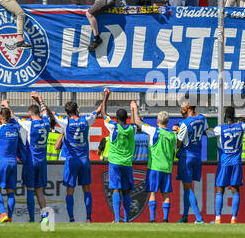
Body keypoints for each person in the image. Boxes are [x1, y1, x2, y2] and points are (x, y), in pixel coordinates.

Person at [3, 92, 52, 223]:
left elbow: (14, 117)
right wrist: (40, 99)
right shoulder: (46, 122)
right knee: (40, 191)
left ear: (30, 114)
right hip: (42, 162)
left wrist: (7, 105)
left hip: (31, 161)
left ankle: (31, 218)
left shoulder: (30, 124)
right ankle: (45, 216)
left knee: (30, 190)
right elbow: (45, 111)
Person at [53, 96, 103, 222]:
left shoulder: (66, 123)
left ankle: (71, 219)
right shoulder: (85, 120)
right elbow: (99, 109)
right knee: (86, 189)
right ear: (76, 110)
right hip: (84, 160)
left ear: (66, 113)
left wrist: (40, 101)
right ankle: (88, 218)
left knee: (70, 191)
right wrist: (106, 96)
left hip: (71, 160)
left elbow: (51, 113)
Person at [206, 107, 245, 224]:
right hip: (236, 162)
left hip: (224, 162)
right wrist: (242, 121)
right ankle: (234, 218)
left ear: (224, 117)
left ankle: (218, 218)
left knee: (220, 188)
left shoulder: (219, 129)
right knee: (235, 189)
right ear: (235, 116)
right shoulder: (241, 127)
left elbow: (207, 133)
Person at [131, 102, 177, 223]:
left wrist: (135, 108)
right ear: (167, 122)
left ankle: (152, 219)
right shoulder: (173, 135)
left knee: (152, 192)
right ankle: (165, 219)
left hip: (155, 168)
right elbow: (176, 148)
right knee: (166, 194)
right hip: (167, 168)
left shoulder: (153, 131)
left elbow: (137, 122)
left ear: (157, 121)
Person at [102, 88, 135, 223]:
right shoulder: (132, 129)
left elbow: (103, 113)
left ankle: (116, 219)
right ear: (126, 118)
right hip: (127, 163)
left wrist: (106, 96)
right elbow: (134, 122)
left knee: (116, 189)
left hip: (115, 163)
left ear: (116, 118)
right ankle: (126, 219)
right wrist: (133, 109)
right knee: (126, 190)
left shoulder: (113, 127)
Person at [176, 101, 208, 224]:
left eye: (182, 106)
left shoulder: (184, 123)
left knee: (188, 188)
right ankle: (185, 216)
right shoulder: (202, 119)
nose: (180, 108)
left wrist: (176, 133)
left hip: (186, 156)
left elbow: (178, 144)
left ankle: (199, 218)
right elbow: (206, 131)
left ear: (189, 106)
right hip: (197, 155)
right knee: (186, 187)